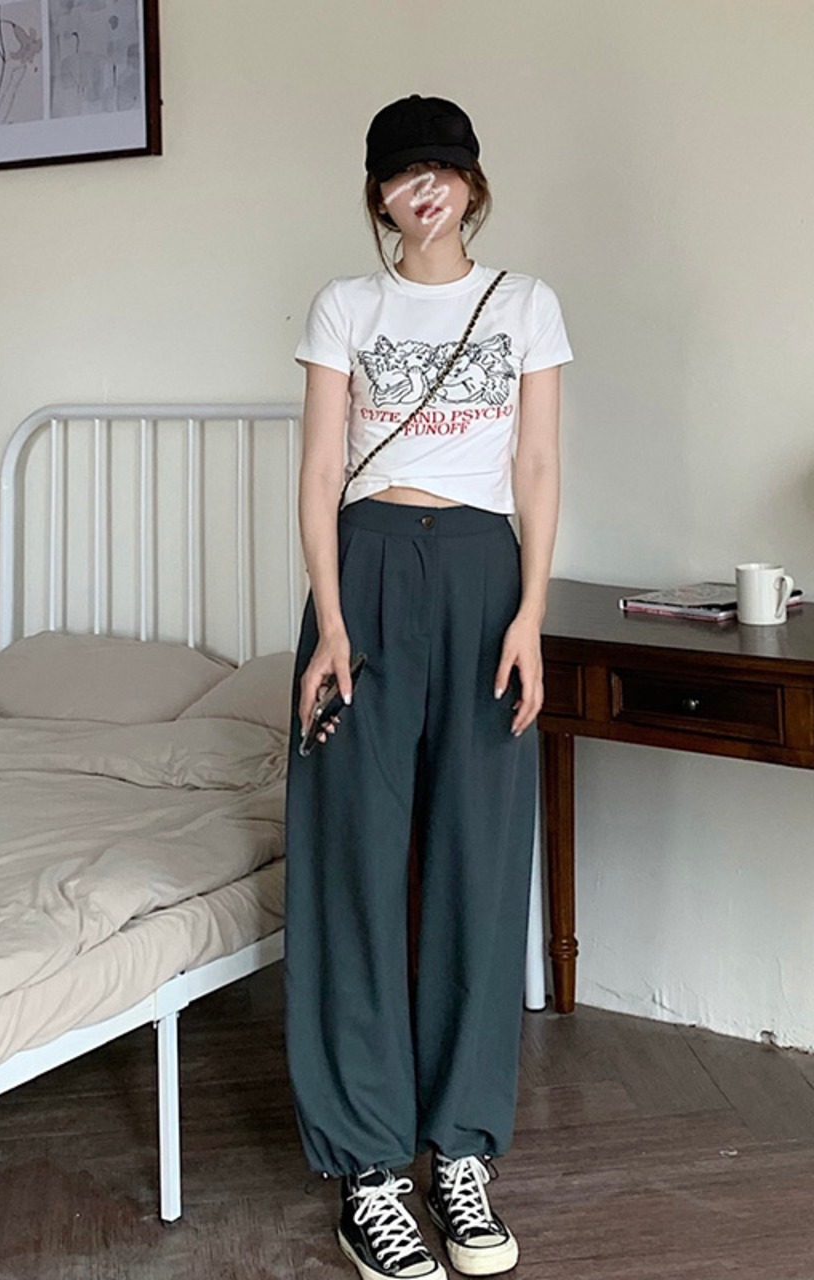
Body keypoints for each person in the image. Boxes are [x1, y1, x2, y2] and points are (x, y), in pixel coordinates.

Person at [284, 93, 574, 1280]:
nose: (425, 189)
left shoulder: (524, 302)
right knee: (351, 854)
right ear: (378, 194)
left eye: (442, 170)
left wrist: (531, 617)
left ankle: (459, 1147)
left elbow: (536, 463)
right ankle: (366, 1167)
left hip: (481, 569)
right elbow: (317, 469)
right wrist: (329, 624)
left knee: (477, 855)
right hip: (363, 564)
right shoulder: (344, 305)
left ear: (471, 184)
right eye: (404, 173)